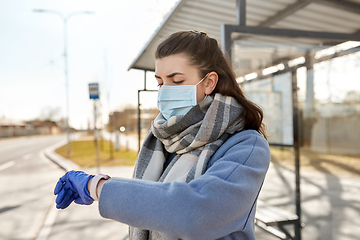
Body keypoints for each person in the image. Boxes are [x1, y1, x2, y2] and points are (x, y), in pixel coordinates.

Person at [54, 30, 271, 240]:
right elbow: (152, 210)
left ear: (209, 82)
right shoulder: (162, 139)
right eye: (160, 82)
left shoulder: (247, 146)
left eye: (176, 81)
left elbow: (194, 213)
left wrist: (97, 186)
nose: (165, 91)